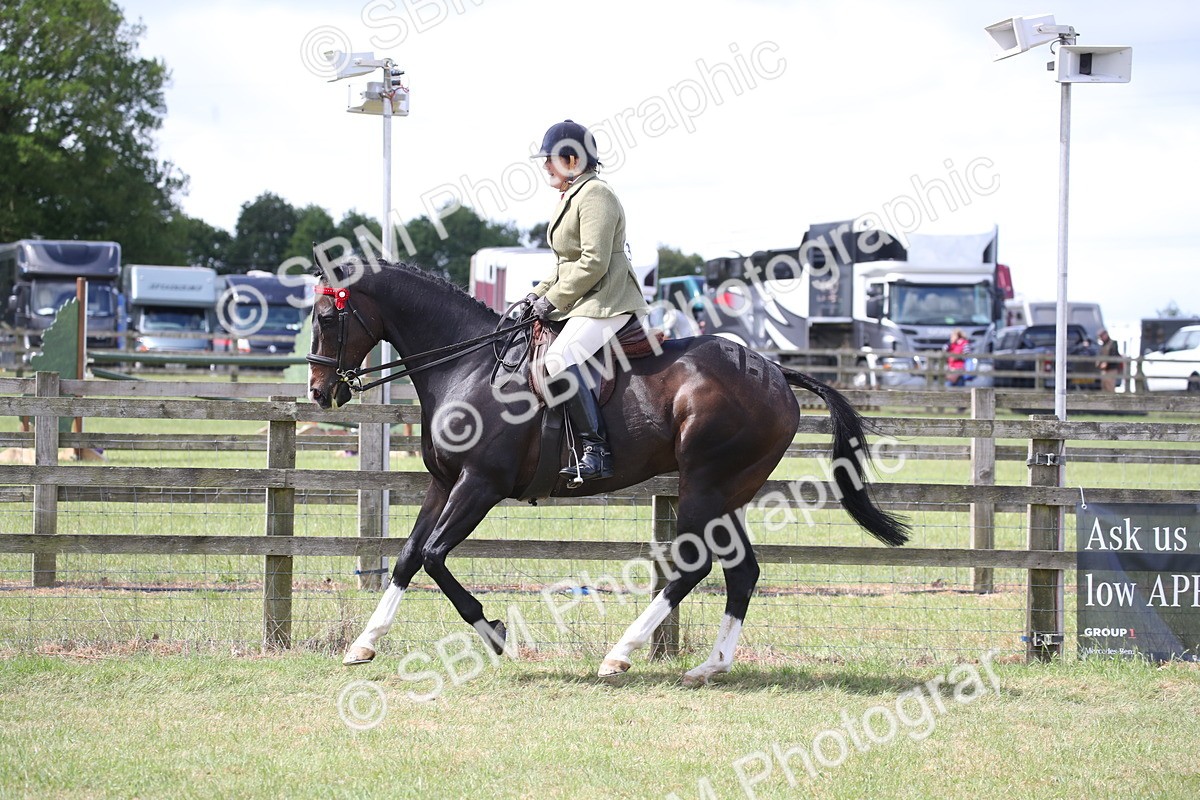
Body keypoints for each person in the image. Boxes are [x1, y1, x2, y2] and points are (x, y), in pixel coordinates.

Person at [521, 119, 650, 483]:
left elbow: (594, 262)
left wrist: (554, 300)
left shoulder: (596, 196)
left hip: (608, 301)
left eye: (550, 158)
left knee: (560, 356)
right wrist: (535, 295)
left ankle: (596, 450)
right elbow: (565, 265)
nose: (545, 165)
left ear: (572, 159)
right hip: (585, 300)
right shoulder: (573, 196)